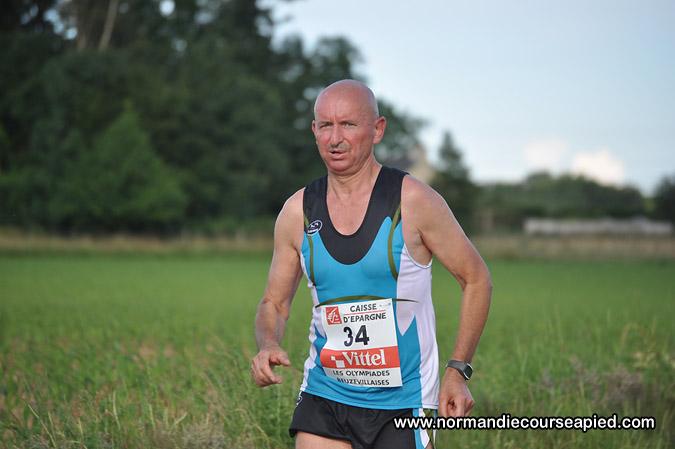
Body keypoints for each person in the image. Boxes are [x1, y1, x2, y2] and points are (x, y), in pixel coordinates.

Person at [251, 79, 492, 449]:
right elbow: (274, 302)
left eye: (348, 124)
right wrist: (268, 343)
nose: (335, 138)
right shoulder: (298, 210)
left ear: (378, 129)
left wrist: (458, 370)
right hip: (325, 395)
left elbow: (476, 280)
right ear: (314, 130)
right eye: (325, 125)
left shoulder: (413, 200)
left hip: (402, 403)